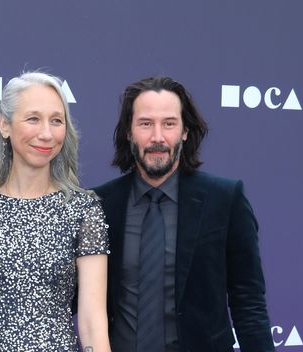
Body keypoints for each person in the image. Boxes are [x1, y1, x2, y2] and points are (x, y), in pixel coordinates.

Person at [94, 76, 274, 352]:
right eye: (145, 124)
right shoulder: (100, 203)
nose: (157, 137)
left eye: (169, 123)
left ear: (185, 132)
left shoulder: (225, 199)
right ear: (129, 132)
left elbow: (248, 301)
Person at [0, 71, 111, 351]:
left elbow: (92, 323)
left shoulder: (83, 209)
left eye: (56, 121)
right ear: (5, 125)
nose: (46, 133)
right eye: (33, 119)